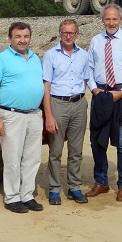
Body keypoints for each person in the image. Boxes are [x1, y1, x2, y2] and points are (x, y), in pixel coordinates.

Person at [85, 4, 122, 202]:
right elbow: (89, 69)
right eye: (108, 19)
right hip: (100, 94)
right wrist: (93, 89)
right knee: (97, 141)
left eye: (114, 19)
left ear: (121, 20)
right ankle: (101, 181)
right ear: (102, 20)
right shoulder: (95, 41)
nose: (111, 23)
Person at [0, 22, 45, 214]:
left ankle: (27, 195)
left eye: (26, 36)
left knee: (32, 158)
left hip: (35, 114)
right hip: (12, 115)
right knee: (12, 158)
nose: (22, 40)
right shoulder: (0, 60)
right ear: (10, 38)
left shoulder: (36, 58)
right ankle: (12, 197)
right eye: (18, 37)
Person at [41, 19, 89, 206]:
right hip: (57, 103)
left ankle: (74, 187)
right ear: (59, 33)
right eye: (65, 32)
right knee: (56, 150)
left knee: (76, 150)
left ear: (77, 34)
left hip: (78, 104)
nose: (68, 36)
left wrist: (79, 98)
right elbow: (46, 86)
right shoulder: (50, 55)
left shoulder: (83, 55)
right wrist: (49, 114)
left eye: (72, 33)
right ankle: (54, 189)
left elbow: (85, 80)